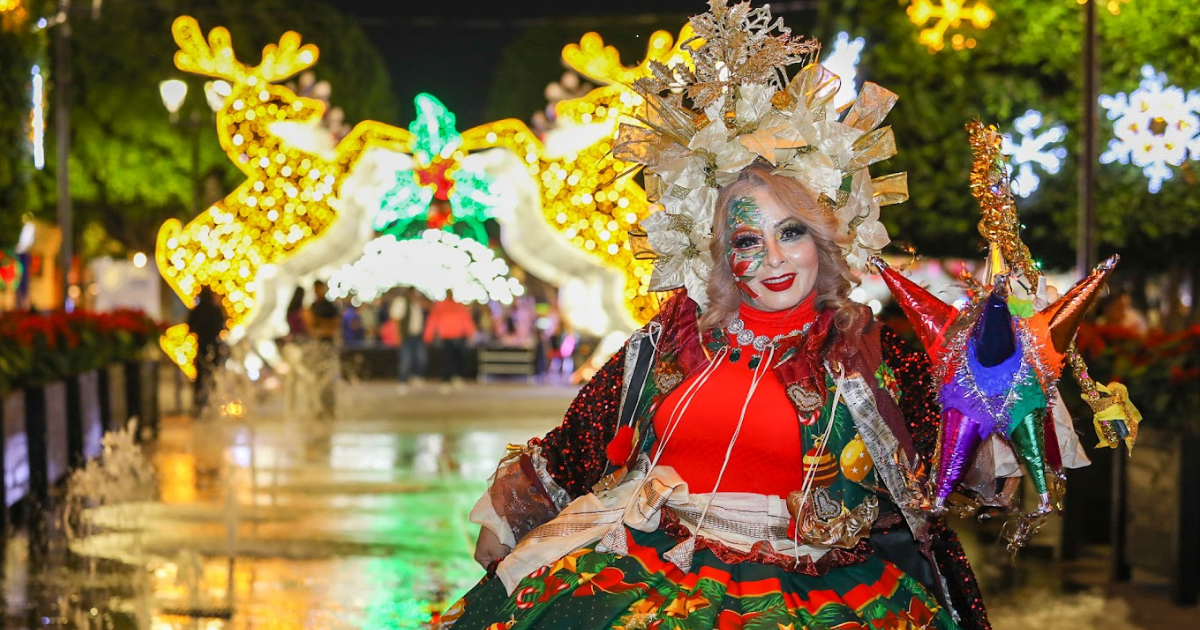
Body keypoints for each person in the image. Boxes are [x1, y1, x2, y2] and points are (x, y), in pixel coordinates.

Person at [440, 5, 990, 629]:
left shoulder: (871, 352)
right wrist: (512, 516)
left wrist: (1014, 373)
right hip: (645, 577)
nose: (774, 258)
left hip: (820, 597)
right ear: (722, 252)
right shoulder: (674, 338)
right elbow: (581, 440)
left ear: (826, 239)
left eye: (792, 232)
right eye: (748, 239)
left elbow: (963, 452)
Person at [424, 289, 477, 390]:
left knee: (458, 358)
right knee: (446, 359)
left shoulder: (458, 306)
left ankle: (457, 378)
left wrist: (471, 333)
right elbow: (433, 320)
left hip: (458, 336)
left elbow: (466, 320)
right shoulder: (440, 306)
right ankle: (445, 380)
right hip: (446, 336)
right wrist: (428, 335)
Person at [186, 286, 227, 415]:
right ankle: (211, 403)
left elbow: (190, 327)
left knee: (201, 376)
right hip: (214, 347)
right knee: (213, 375)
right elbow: (222, 327)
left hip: (201, 347)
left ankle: (199, 404)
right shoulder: (216, 310)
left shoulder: (197, 310)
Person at [309, 280, 340, 417]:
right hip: (317, 345)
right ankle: (319, 406)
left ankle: (329, 406)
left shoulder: (328, 306)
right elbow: (312, 325)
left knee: (328, 376)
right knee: (317, 377)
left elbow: (335, 324)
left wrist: (323, 326)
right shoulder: (314, 305)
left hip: (328, 344)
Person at [391, 287, 429, 389]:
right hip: (406, 336)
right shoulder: (401, 302)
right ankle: (402, 381)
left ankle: (417, 377)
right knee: (405, 359)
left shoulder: (416, 304)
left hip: (417, 336)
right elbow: (396, 319)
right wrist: (398, 336)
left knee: (421, 359)